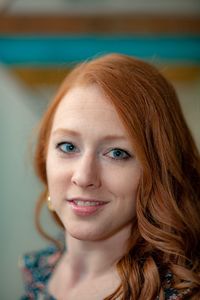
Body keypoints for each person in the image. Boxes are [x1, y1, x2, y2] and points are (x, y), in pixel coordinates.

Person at [20, 53, 200, 300]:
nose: (83, 177)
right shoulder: (38, 268)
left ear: (158, 169)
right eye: (68, 146)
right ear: (44, 156)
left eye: (117, 153)